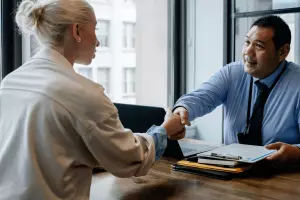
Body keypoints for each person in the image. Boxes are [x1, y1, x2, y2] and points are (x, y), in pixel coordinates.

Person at [0, 0, 185, 199]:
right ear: (77, 31)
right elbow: (131, 158)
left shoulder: (9, 82)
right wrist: (165, 130)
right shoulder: (83, 93)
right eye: (95, 29)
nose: (98, 41)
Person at [173, 15, 300, 165]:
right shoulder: (232, 73)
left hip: (283, 177)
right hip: (232, 174)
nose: (248, 52)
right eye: (247, 42)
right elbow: (200, 98)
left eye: (259, 46)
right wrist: (182, 109)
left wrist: (297, 153)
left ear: (282, 52)